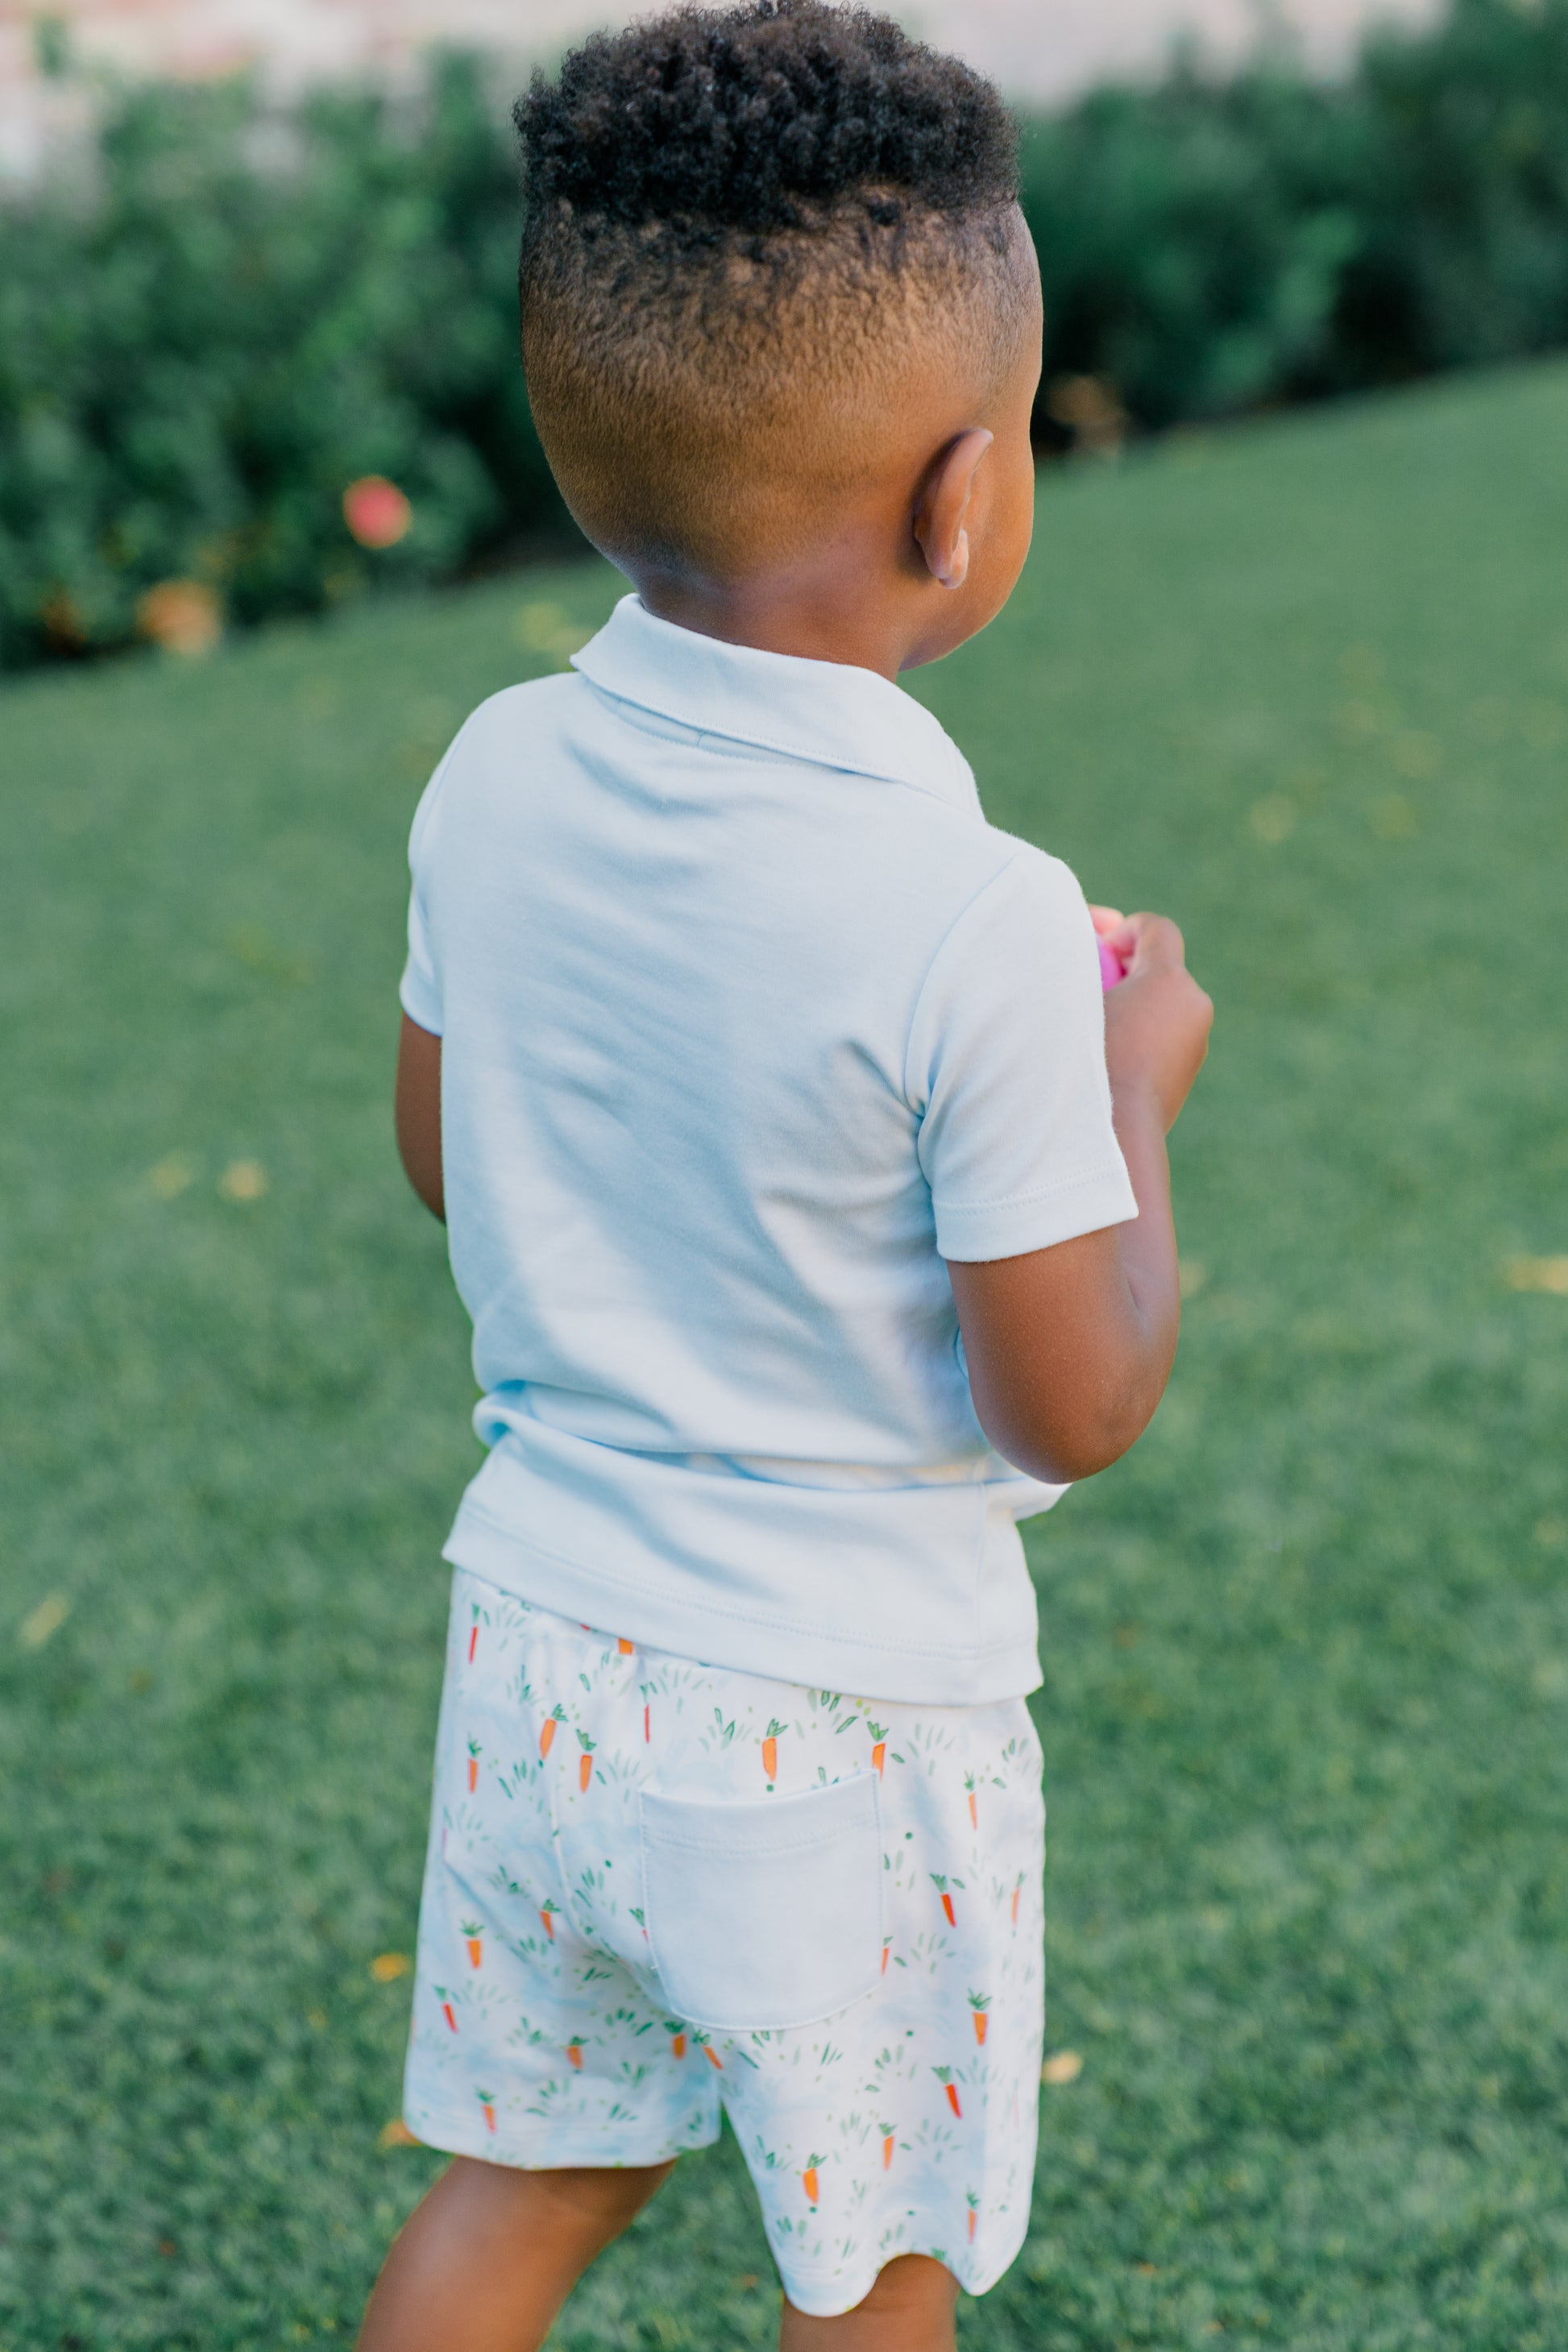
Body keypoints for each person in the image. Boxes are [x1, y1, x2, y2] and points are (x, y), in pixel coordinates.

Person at [359, 4, 1212, 2346]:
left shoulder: (491, 769)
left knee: (525, 2195)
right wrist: (1132, 1090)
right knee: (874, 2272)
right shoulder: (975, 917)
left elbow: (446, 1157)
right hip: (840, 1714)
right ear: (965, 499)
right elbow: (1074, 1403)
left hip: (541, 1656)